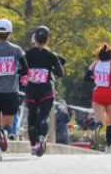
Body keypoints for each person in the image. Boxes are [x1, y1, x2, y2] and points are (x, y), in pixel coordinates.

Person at [0, 19, 27, 162]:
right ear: (9, 33)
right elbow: (26, 69)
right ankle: (5, 134)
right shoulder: (16, 50)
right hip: (11, 91)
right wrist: (15, 70)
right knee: (7, 122)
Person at [23, 25, 65, 157]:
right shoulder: (51, 55)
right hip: (46, 91)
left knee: (32, 117)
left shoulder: (27, 54)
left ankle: (33, 145)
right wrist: (48, 69)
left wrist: (31, 72)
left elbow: (21, 69)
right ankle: (42, 137)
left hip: (31, 91)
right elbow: (60, 72)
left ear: (35, 38)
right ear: (48, 39)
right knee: (43, 117)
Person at [85, 43, 111, 153]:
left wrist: (96, 79)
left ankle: (96, 135)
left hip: (98, 92)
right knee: (110, 121)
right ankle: (108, 146)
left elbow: (86, 77)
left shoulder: (95, 64)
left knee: (99, 120)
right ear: (110, 56)